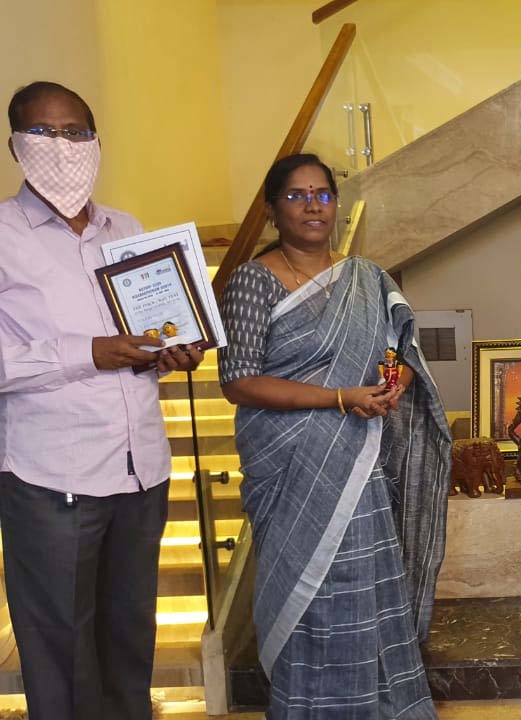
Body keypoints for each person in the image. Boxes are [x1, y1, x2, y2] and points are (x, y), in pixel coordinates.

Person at [219, 153, 452, 718]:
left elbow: (400, 351)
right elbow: (239, 381)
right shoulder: (252, 280)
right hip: (292, 467)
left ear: (336, 205)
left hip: (359, 462)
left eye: (322, 194)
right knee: (306, 595)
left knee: (364, 587)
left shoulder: (365, 278)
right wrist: (339, 398)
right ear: (272, 210)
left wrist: (388, 388)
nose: (312, 206)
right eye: (296, 196)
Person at [0, 81, 204, 718]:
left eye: (77, 132)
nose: (63, 146)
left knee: (130, 639)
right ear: (15, 144)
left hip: (141, 470)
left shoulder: (129, 230)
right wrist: (90, 351)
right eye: (44, 132)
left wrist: (170, 352)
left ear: (96, 141)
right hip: (51, 477)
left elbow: (146, 338)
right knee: (61, 650)